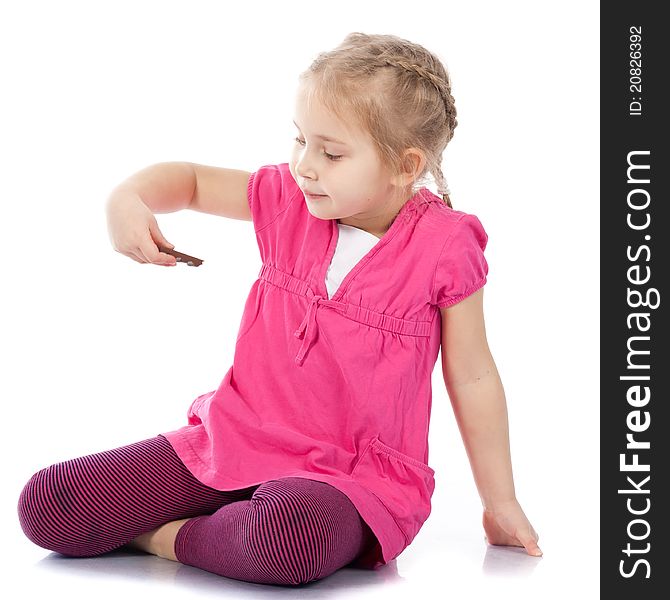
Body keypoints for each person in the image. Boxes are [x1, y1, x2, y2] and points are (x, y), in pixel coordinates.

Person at [17, 32, 541, 587]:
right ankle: (225, 523)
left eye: (332, 152)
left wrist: (500, 502)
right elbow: (192, 182)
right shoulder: (287, 201)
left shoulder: (444, 246)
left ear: (405, 165)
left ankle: (171, 537)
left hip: (350, 477)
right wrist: (127, 197)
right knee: (50, 504)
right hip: (237, 438)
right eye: (300, 140)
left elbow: (474, 374)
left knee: (287, 539)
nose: (305, 165)